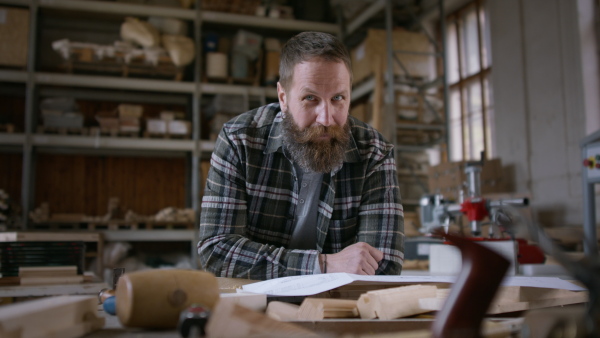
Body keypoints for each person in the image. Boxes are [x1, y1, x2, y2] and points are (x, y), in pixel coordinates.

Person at [198, 31, 404, 280]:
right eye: (310, 98)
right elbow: (216, 249)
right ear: (283, 97)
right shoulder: (239, 139)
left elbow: (385, 264)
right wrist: (321, 265)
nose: (326, 118)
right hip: (255, 304)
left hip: (337, 305)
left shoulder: (374, 151)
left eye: (338, 98)